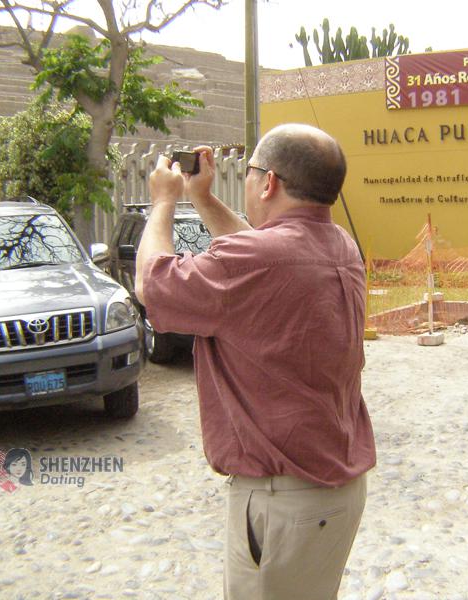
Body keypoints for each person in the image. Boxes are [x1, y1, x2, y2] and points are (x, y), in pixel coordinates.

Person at [135, 123, 376, 599]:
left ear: (268, 183)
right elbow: (260, 253)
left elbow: (151, 285)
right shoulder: (339, 246)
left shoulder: (261, 257)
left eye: (249, 174)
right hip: (332, 491)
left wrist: (164, 200)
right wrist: (202, 200)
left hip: (282, 500)